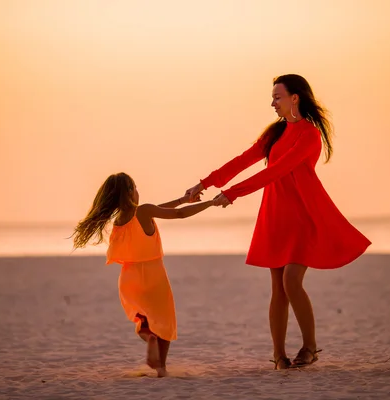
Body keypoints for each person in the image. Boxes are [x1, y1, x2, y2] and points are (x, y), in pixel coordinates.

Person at [186, 74, 371, 369]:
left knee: (291, 281)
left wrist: (232, 194)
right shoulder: (275, 133)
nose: (272, 103)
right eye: (273, 98)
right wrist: (204, 184)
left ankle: (309, 348)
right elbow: (242, 160)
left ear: (294, 98)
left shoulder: (309, 135)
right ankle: (279, 356)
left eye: (277, 97)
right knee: (278, 288)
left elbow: (278, 170)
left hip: (302, 213)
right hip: (275, 214)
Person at [72, 172, 219, 377]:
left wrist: (184, 199)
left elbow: (160, 209)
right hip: (154, 274)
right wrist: (211, 203)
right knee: (165, 322)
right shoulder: (144, 211)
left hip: (129, 278)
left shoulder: (119, 220)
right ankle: (161, 368)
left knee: (143, 320)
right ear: (131, 192)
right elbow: (178, 215)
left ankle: (149, 338)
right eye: (136, 187)